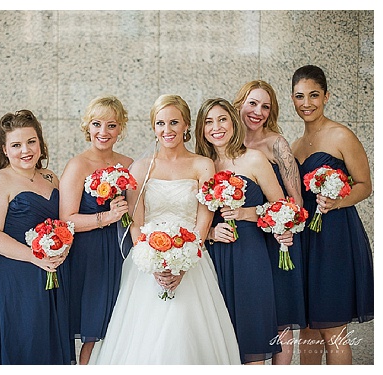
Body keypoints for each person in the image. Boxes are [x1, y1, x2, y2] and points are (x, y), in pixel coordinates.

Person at [90, 94, 240, 365]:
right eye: (160, 123)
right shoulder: (140, 167)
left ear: (185, 125)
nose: (167, 130)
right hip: (147, 267)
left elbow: (202, 223)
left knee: (185, 333)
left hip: (192, 261)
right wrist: (153, 262)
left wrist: (181, 264)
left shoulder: (202, 165)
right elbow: (135, 223)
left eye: (174, 122)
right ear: (153, 126)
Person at [290, 65, 373, 365]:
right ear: (292, 99)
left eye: (314, 95)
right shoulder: (294, 145)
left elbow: (365, 185)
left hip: (336, 238)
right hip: (304, 242)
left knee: (334, 329)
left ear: (326, 96)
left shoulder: (341, 135)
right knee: (309, 328)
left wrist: (336, 202)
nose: (307, 103)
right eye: (300, 96)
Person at [195, 98, 289, 364]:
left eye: (222, 119)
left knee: (250, 338)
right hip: (212, 261)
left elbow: (281, 209)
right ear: (201, 129)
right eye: (209, 122)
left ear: (233, 121)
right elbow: (190, 215)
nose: (216, 127)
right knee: (217, 342)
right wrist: (211, 233)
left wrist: (250, 213)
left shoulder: (255, 159)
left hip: (250, 256)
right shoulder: (201, 165)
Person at [0, 110, 73, 365]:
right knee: (25, 344)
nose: (25, 150)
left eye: (31, 141)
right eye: (16, 145)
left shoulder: (50, 176)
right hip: (16, 275)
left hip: (52, 272)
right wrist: (35, 257)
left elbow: (65, 221)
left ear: (40, 142)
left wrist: (62, 248)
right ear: (5, 150)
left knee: (49, 347)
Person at [233, 81, 306, 364]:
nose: (258, 111)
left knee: (280, 317)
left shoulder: (277, 144)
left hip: (277, 241)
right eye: (252, 103)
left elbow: (295, 201)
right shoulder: (227, 141)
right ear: (240, 103)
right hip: (245, 243)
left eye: (266, 106)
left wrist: (284, 229)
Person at [58, 95, 132, 364]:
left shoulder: (128, 163)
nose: (104, 132)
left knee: (120, 327)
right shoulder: (77, 165)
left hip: (124, 252)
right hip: (90, 257)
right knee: (94, 331)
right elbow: (66, 219)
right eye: (97, 124)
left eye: (111, 125)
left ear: (120, 128)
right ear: (87, 126)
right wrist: (106, 217)